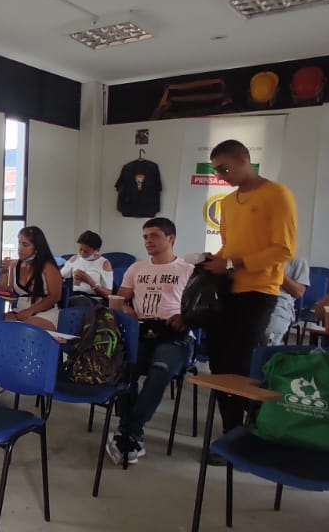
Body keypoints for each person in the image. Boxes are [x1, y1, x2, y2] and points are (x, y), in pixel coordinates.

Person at [199, 139, 297, 455]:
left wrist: (232, 263)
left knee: (240, 363)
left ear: (244, 159)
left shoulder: (277, 194)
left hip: (259, 291)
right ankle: (231, 431)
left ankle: (254, 430)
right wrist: (214, 261)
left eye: (224, 169)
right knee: (218, 363)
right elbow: (229, 247)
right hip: (227, 291)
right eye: (216, 171)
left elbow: (283, 249)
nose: (221, 176)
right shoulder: (228, 203)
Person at [106, 217, 194, 465]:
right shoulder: (137, 269)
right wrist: (126, 309)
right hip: (142, 332)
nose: (148, 241)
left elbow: (198, 308)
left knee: (160, 369)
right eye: (145, 237)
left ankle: (130, 431)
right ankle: (129, 432)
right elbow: (120, 299)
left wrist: (186, 317)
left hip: (173, 334)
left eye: (154, 235)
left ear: (170, 238)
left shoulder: (187, 270)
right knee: (124, 368)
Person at [0, 226, 63, 331]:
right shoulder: (14, 265)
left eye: (25, 245)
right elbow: (10, 290)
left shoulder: (48, 267)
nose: (20, 248)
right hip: (21, 311)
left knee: (24, 328)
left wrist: (30, 311)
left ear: (37, 247)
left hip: (45, 312)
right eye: (19, 243)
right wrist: (4, 271)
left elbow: (55, 297)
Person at [60, 230, 115, 307]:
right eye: (80, 249)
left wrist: (89, 281)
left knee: (84, 302)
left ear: (97, 250)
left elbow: (108, 293)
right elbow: (60, 276)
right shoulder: (75, 258)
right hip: (76, 296)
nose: (82, 253)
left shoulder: (104, 263)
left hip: (96, 299)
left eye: (86, 251)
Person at [265, 257, 310, 346]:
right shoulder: (255, 255)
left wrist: (278, 272)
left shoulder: (298, 261)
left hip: (279, 302)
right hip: (252, 297)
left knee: (269, 336)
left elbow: (299, 292)